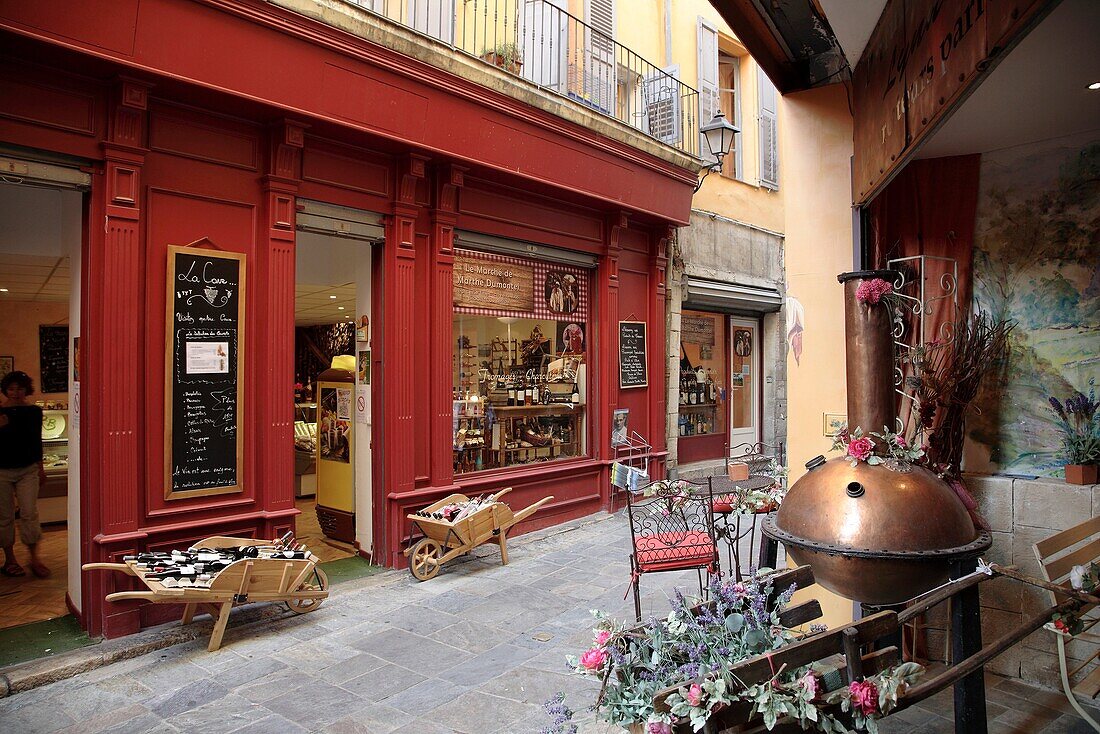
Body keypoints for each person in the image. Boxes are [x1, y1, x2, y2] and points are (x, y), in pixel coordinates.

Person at [0, 371, 49, 578]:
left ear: (26, 390)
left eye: (19, 388)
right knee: (4, 516)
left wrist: (41, 468)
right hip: (1, 470)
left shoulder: (34, 412)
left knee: (29, 513)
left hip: (28, 469)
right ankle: (9, 559)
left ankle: (34, 558)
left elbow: (36, 441)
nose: (15, 393)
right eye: (11, 388)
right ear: (5, 390)